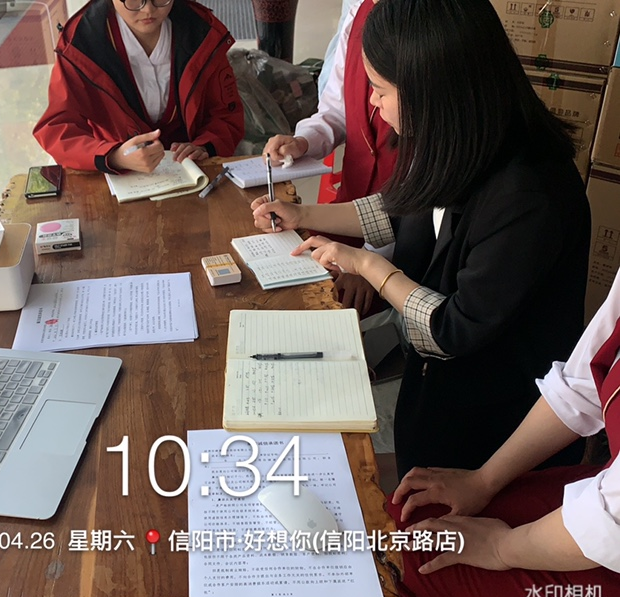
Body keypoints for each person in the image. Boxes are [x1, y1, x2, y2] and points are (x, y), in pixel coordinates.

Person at [250, 0, 590, 477]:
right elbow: (402, 209)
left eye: (380, 89)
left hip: (497, 436)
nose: (373, 103)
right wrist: (301, 214)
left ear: (432, 88)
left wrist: (368, 266)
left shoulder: (528, 197)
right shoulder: (457, 136)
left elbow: (452, 329)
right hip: (440, 395)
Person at [386, 267, 620, 597]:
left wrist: (502, 548)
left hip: (610, 530)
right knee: (404, 525)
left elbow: (607, 522)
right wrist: (483, 480)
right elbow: (582, 384)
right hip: (609, 492)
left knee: (406, 572)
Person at [263, 0, 395, 317]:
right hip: (351, 211)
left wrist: (370, 259)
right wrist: (303, 141)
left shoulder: (426, 23)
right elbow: (336, 109)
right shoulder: (359, 13)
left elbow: (415, 203)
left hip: (399, 238)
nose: (374, 100)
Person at [33, 0, 244, 174]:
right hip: (118, 174)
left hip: (190, 170)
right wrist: (114, 156)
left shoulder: (202, 32)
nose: (148, 9)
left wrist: (204, 145)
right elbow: (56, 128)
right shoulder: (81, 44)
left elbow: (225, 114)